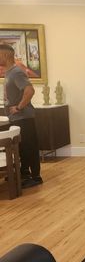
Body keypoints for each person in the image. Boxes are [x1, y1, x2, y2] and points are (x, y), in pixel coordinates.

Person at [0, 44, 42, 188]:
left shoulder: (16, 72)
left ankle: (35, 177)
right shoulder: (9, 72)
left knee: (29, 147)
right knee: (22, 148)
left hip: (24, 117)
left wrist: (18, 107)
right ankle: (23, 174)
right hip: (17, 118)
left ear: (5, 55)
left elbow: (29, 90)